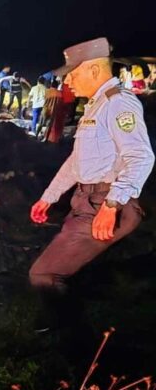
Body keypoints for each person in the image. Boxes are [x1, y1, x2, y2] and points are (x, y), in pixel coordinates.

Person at [29, 37, 154, 297]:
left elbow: (141, 156)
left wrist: (111, 206)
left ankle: (63, 320)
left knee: (42, 275)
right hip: (88, 200)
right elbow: (76, 161)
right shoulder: (96, 105)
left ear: (94, 70)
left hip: (104, 202)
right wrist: (48, 197)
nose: (68, 81)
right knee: (65, 264)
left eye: (73, 74)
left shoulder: (118, 102)